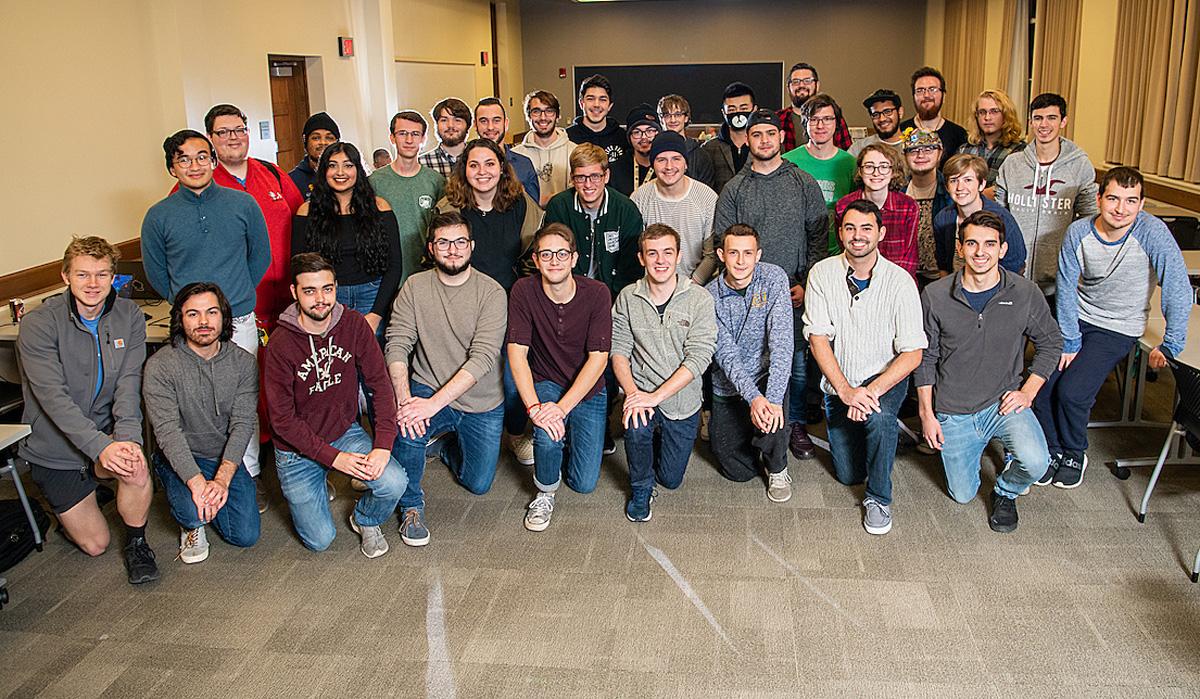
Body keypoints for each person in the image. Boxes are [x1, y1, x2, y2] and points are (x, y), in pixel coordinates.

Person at [1034, 167, 1192, 488]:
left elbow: (1177, 285)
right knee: (1041, 385)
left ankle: (1074, 452)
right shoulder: (1079, 232)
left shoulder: (1152, 232)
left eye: (1131, 201)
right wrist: (1070, 339)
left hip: (1118, 327)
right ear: (1099, 199)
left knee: (1073, 392)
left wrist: (1172, 343)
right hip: (1078, 317)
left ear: (1141, 204)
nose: (1121, 208)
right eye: (1113, 199)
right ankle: (1052, 449)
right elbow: (1066, 287)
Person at [142, 129, 271, 504]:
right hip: (189, 328)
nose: (194, 165)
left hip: (239, 319)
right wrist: (188, 308)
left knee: (242, 402)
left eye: (202, 156)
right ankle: (195, 474)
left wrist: (233, 299)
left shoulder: (242, 204)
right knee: (193, 403)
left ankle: (247, 475)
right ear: (172, 168)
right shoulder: (158, 216)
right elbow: (156, 272)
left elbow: (259, 257)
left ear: (214, 161)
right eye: (183, 159)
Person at [18, 237, 158, 584]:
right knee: (96, 544)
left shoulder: (130, 316)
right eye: (83, 275)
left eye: (102, 274)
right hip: (56, 447)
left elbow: (128, 385)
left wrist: (126, 441)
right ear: (65, 276)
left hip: (104, 435)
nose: (93, 284)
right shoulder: (39, 324)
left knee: (135, 464)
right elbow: (54, 399)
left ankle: (138, 544)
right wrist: (100, 447)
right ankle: (69, 500)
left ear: (113, 277)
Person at [918, 210, 1059, 532]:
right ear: (960, 248)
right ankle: (973, 449)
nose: (980, 252)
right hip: (954, 410)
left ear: (1003, 249)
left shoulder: (1025, 293)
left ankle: (1005, 490)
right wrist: (927, 415)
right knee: (962, 495)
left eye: (990, 244)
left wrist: (1027, 392)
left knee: (1037, 463)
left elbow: (1051, 343)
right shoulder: (935, 295)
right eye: (972, 243)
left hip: (1003, 403)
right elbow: (925, 358)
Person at [263, 253, 406, 558]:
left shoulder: (353, 325)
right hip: (295, 451)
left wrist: (383, 445)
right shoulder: (280, 344)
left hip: (342, 432)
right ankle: (317, 480)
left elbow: (380, 386)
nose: (320, 299)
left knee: (394, 482)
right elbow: (282, 421)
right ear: (294, 292)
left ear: (336, 287)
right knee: (320, 540)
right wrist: (334, 459)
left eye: (327, 289)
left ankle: (365, 518)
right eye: (310, 291)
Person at [804, 200, 926, 535]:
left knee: (879, 418)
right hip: (840, 380)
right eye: (850, 228)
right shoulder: (821, 274)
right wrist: (846, 391)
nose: (858, 235)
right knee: (848, 474)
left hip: (883, 377)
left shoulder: (900, 281)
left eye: (866, 228)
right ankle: (882, 436)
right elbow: (817, 339)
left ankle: (879, 498)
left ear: (881, 233)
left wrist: (869, 393)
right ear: (841, 233)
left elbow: (912, 353)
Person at [387, 211, 508, 546]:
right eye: (443, 243)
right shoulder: (415, 286)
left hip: (480, 399)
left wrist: (429, 407)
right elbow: (397, 342)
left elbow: (482, 358)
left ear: (472, 246)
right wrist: (405, 400)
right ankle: (411, 506)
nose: (452, 250)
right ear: (431, 248)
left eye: (459, 242)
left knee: (478, 483)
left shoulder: (492, 292)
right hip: (428, 383)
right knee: (407, 427)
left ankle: (442, 446)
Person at [713, 108, 828, 460]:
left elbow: (818, 235)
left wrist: (807, 281)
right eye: (756, 134)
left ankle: (793, 423)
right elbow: (723, 240)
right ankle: (750, 417)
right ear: (747, 139)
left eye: (770, 134)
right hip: (746, 291)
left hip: (793, 289)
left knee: (793, 362)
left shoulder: (803, 182)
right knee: (745, 360)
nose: (764, 140)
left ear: (781, 138)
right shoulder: (735, 189)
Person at [143, 283, 260, 562]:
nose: (204, 321)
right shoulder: (161, 366)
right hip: (181, 454)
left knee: (245, 536)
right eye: (193, 314)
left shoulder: (244, 363)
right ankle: (191, 523)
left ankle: (208, 504)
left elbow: (243, 424)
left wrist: (221, 481)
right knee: (194, 514)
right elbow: (168, 432)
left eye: (212, 312)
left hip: (222, 456)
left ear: (224, 316)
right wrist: (197, 484)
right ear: (180, 318)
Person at [507, 224, 612, 532]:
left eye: (562, 254)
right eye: (546, 254)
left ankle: (560, 438)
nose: (554, 261)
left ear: (574, 258)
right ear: (536, 260)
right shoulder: (523, 291)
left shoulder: (597, 293)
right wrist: (536, 410)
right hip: (547, 380)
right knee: (546, 432)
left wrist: (561, 409)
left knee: (583, 483)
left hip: (588, 388)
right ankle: (545, 492)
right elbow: (517, 354)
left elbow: (598, 358)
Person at [612, 224, 717, 521]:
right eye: (652, 253)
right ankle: (641, 487)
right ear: (641, 258)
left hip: (682, 400)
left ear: (678, 256)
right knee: (636, 426)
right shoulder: (628, 297)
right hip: (641, 390)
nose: (660, 260)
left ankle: (657, 445)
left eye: (667, 253)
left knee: (671, 480)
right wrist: (633, 395)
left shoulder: (699, 299)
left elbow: (699, 357)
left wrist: (655, 397)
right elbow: (619, 350)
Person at [706, 224, 794, 502]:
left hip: (766, 373)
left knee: (773, 416)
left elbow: (782, 342)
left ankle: (777, 465)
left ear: (758, 255)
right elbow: (726, 355)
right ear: (722, 255)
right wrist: (753, 399)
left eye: (748, 253)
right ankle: (753, 434)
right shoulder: (709, 296)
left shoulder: (774, 278)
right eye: (734, 253)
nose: (741, 261)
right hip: (729, 382)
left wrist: (772, 400)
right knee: (736, 470)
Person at [202, 104, 305, 331]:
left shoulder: (272, 173)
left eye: (239, 130)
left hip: (288, 301)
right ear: (210, 138)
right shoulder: (201, 185)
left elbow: (303, 221)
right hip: (236, 307)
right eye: (223, 132)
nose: (233, 138)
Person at [995, 92, 1099, 299]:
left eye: (1051, 118)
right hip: (1013, 274)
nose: (1044, 125)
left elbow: (1090, 218)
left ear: (1063, 121)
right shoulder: (1012, 164)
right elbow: (999, 214)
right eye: (1038, 118)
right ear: (1030, 122)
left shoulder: (1079, 165)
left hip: (1058, 277)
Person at [292, 142, 402, 336]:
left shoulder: (380, 208)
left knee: (370, 354)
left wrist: (377, 314)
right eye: (332, 165)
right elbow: (298, 267)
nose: (340, 172)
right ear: (324, 171)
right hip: (327, 297)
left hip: (373, 296)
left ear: (358, 169)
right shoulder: (307, 212)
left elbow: (394, 266)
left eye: (348, 165)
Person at [438, 139, 543, 291]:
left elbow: (533, 257)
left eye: (490, 164)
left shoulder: (522, 204)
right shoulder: (448, 209)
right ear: (464, 169)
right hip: (461, 295)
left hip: (511, 294)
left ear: (501, 167)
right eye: (474, 165)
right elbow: (435, 260)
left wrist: (522, 293)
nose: (482, 171)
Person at [543, 143, 645, 296]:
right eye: (580, 178)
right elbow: (551, 259)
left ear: (606, 176)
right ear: (572, 178)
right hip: (567, 293)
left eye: (595, 176)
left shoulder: (626, 210)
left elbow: (632, 268)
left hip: (613, 295)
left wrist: (612, 300)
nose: (588, 184)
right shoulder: (559, 207)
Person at [630, 131, 720, 284]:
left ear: (686, 164)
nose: (669, 166)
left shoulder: (707, 198)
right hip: (651, 284)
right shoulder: (639, 199)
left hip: (696, 285)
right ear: (652, 164)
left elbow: (711, 255)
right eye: (661, 160)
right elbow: (636, 253)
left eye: (676, 159)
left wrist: (691, 286)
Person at [369, 110, 446, 287]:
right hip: (385, 275)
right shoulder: (375, 182)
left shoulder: (436, 181)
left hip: (425, 273)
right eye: (402, 133)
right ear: (392, 138)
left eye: (415, 134)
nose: (409, 140)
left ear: (423, 139)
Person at [783, 93, 858, 254]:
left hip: (838, 252)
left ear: (837, 123)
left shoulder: (850, 164)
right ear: (805, 123)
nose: (820, 125)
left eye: (827, 119)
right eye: (814, 119)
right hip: (799, 252)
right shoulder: (787, 162)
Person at [836, 143, 919, 279]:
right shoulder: (843, 206)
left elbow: (910, 256)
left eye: (884, 167)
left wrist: (896, 284)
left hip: (898, 281)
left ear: (893, 172)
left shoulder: (908, 206)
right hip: (856, 279)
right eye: (869, 167)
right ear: (860, 171)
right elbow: (845, 251)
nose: (876, 173)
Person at [934, 154, 1026, 276]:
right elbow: (943, 265)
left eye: (968, 180)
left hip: (996, 284)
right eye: (954, 181)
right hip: (957, 283)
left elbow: (1015, 264)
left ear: (981, 184)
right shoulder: (943, 219)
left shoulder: (1001, 219)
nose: (960, 187)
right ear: (947, 187)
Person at [566, 74, 634, 195]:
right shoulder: (567, 138)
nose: (596, 104)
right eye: (590, 99)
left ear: (610, 106)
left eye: (602, 99)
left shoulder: (623, 138)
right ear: (581, 103)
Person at [903, 129, 953, 286]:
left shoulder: (952, 192)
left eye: (928, 149)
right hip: (905, 276)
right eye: (913, 150)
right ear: (905, 155)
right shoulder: (896, 192)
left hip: (942, 277)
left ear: (940, 153)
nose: (920, 155)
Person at [474, 97, 540, 205]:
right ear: (475, 125)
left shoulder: (524, 164)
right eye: (483, 121)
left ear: (506, 124)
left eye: (496, 120)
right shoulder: (466, 165)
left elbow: (532, 210)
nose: (490, 127)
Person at [898, 67, 969, 169]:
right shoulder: (900, 131)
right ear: (913, 96)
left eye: (932, 89)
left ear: (943, 96)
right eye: (920, 90)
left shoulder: (959, 135)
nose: (926, 95)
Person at [513, 90, 573, 206]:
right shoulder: (515, 156)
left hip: (564, 216)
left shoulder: (574, 152)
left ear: (558, 116)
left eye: (549, 111)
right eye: (536, 111)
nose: (543, 117)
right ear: (528, 116)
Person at [957, 89, 1026, 188]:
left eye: (994, 111)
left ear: (1006, 115)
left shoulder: (1019, 151)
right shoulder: (964, 150)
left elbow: (1011, 188)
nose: (987, 117)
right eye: (982, 112)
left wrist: (975, 194)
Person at [778, 62, 853, 152]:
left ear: (817, 85)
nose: (801, 85)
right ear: (788, 88)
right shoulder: (779, 119)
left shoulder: (834, 118)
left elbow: (846, 153)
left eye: (807, 81)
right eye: (796, 82)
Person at [701, 82, 756, 195]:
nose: (737, 113)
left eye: (743, 108)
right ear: (723, 113)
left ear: (754, 110)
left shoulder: (765, 146)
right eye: (731, 109)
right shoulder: (709, 149)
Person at [655, 93, 715, 190]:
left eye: (678, 115)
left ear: (686, 118)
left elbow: (706, 190)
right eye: (667, 115)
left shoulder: (700, 155)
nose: (673, 120)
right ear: (661, 119)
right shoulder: (654, 153)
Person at [288, 112, 340, 200]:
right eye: (316, 138)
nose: (323, 142)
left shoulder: (346, 175)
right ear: (306, 142)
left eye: (329, 138)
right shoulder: (293, 180)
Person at [419, 97, 472, 178]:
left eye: (457, 120)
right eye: (444, 120)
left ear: (467, 126)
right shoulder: (422, 164)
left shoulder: (478, 159)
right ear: (436, 125)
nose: (450, 125)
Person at [849, 89, 906, 157]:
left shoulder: (914, 144)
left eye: (887, 112)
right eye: (875, 114)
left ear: (900, 112)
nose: (882, 119)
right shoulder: (858, 148)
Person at [625, 104, 661, 191]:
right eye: (637, 132)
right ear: (629, 137)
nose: (644, 137)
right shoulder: (616, 170)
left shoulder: (668, 168)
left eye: (650, 131)